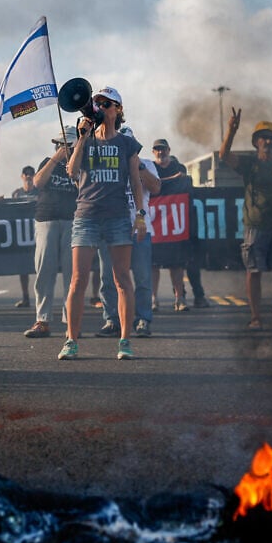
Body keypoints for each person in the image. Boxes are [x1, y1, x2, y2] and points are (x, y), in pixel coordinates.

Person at [58, 86, 146, 361]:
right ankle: (71, 340)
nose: (100, 107)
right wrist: (83, 137)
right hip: (86, 216)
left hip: (118, 216)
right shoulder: (85, 139)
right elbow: (72, 171)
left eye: (106, 104)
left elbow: (135, 180)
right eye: (97, 102)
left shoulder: (127, 143)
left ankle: (124, 341)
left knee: (122, 279)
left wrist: (140, 215)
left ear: (118, 110)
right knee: (78, 280)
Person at [218, 111, 272, 329]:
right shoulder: (248, 163)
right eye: (263, 137)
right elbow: (224, 156)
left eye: (271, 138)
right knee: (254, 271)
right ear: (256, 142)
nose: (267, 141)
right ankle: (256, 317)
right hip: (255, 227)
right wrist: (232, 130)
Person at [95, 127, 160, 339]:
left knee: (142, 277)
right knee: (108, 277)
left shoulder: (147, 164)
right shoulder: (110, 162)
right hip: (112, 227)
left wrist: (138, 165)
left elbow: (156, 187)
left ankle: (142, 319)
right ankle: (112, 319)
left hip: (140, 227)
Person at [23, 126, 78, 338]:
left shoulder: (79, 163)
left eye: (69, 145)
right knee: (44, 270)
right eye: (62, 144)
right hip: (46, 219)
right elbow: (37, 182)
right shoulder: (48, 162)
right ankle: (42, 319)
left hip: (72, 220)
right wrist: (56, 158)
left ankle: (71, 321)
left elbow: (83, 188)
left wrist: (73, 163)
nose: (66, 148)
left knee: (71, 273)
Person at [149, 138, 192, 313]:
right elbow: (151, 185)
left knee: (176, 264)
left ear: (169, 149)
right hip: (155, 222)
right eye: (157, 149)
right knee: (153, 264)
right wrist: (171, 180)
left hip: (174, 223)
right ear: (153, 152)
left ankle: (179, 298)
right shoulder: (150, 167)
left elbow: (181, 181)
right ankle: (153, 299)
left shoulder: (179, 167)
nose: (161, 152)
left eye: (163, 149)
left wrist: (165, 181)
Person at [11, 165, 39, 308]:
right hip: (22, 236)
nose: (28, 176)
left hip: (38, 234)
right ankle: (25, 297)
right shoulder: (16, 194)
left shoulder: (40, 191)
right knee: (23, 268)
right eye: (25, 174)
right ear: (22, 176)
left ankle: (42, 296)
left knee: (41, 266)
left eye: (31, 173)